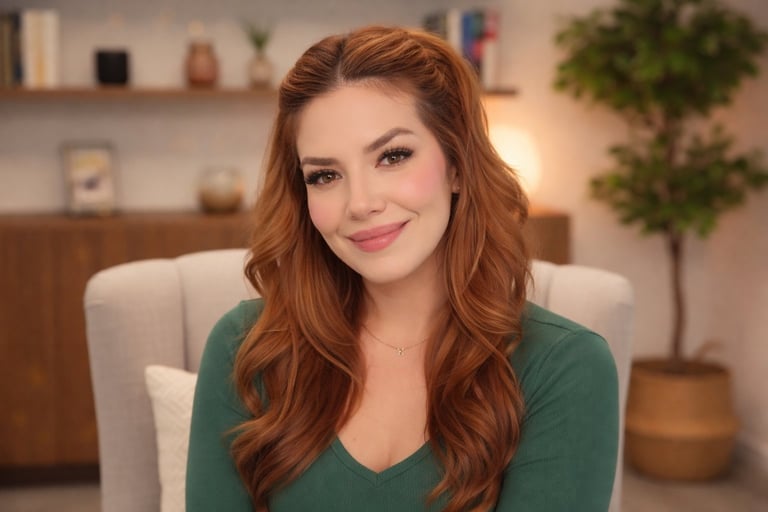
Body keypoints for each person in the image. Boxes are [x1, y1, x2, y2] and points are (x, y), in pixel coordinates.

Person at [186, 25, 618, 512]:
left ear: (457, 165)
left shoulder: (564, 367)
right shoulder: (246, 348)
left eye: (393, 156)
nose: (361, 203)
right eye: (325, 175)